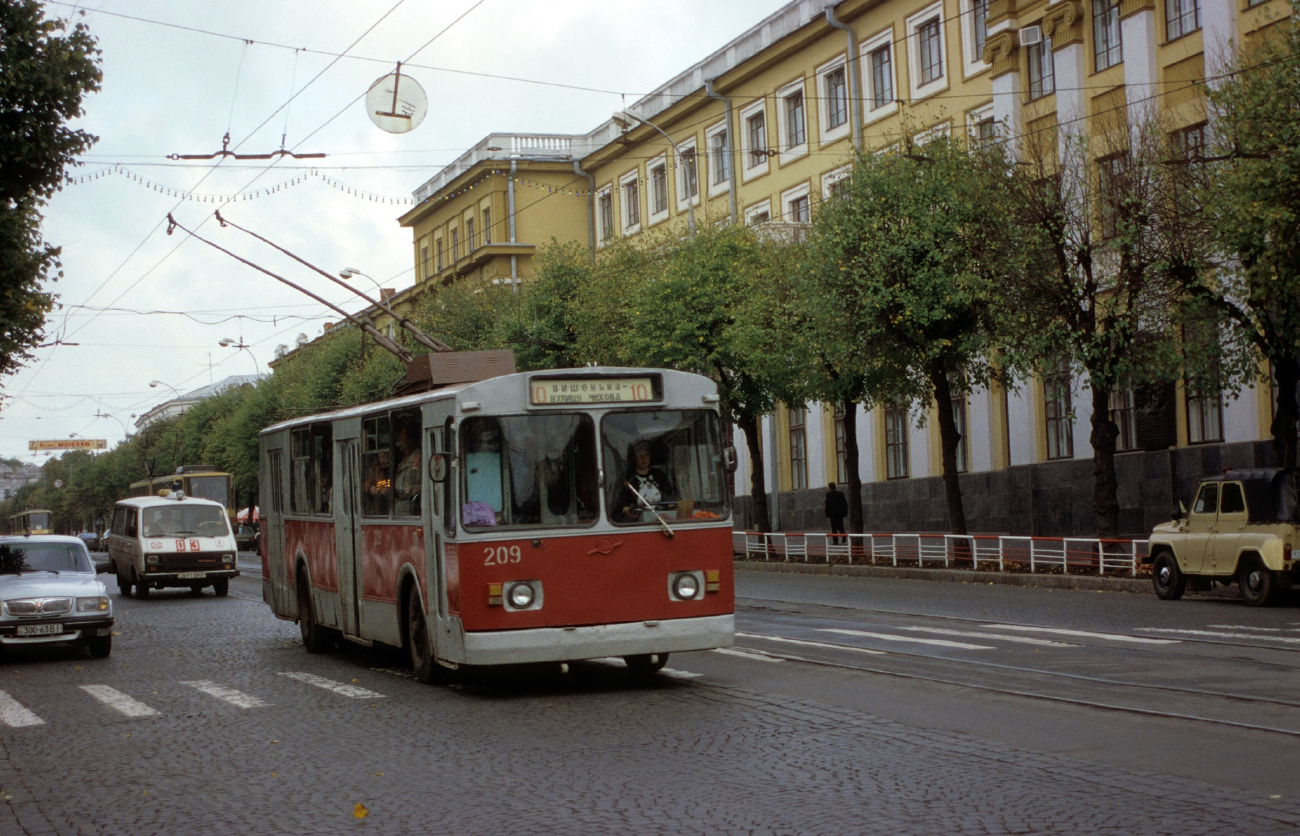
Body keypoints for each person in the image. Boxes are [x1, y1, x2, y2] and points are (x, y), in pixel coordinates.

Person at [618, 440, 674, 522]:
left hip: (662, 517)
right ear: (634, 458)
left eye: (646, 455)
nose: (644, 458)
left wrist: (670, 504)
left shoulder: (659, 475)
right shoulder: (627, 477)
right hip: (637, 521)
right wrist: (625, 509)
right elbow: (621, 503)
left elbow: (669, 495)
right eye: (639, 455)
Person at [393, 426, 421, 516]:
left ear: (410, 440)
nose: (399, 440)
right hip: (399, 507)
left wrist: (407, 491)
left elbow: (424, 484)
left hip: (411, 508)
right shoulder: (403, 460)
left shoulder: (418, 458)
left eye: (402, 437)